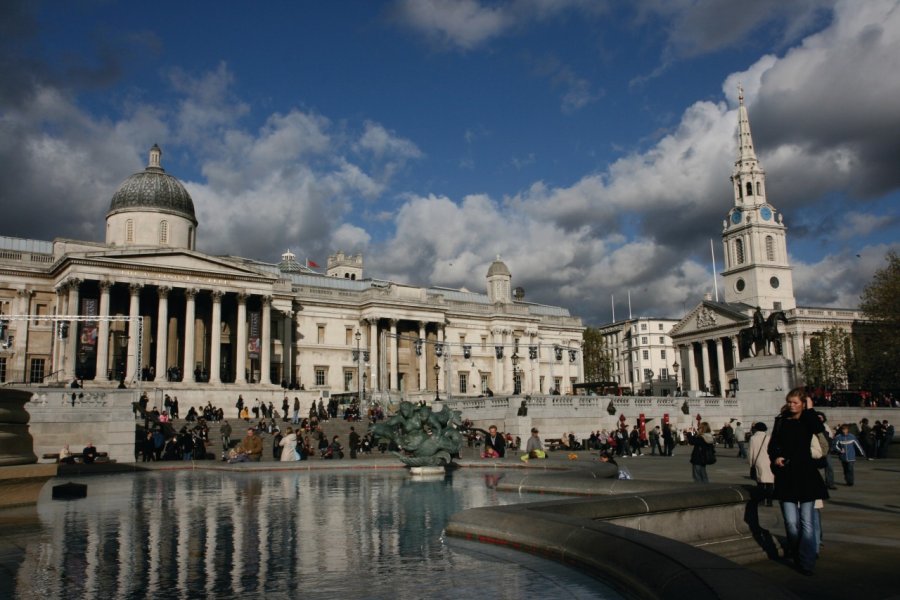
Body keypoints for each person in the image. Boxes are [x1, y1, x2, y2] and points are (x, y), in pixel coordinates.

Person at [768, 388, 829, 576]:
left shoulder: (808, 420)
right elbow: (773, 444)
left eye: (795, 402)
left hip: (806, 475)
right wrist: (776, 456)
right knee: (791, 523)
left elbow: (819, 430)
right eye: (789, 402)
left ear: (803, 403)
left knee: (807, 522)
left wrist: (810, 409)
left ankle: (807, 561)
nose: (791, 405)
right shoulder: (781, 421)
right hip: (786, 475)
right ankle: (797, 552)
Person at [748, 422, 774, 506]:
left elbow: (750, 453)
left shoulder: (753, 438)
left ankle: (761, 500)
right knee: (770, 483)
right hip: (769, 462)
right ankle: (769, 501)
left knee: (760, 483)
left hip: (758, 462)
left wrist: (751, 463)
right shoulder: (769, 438)